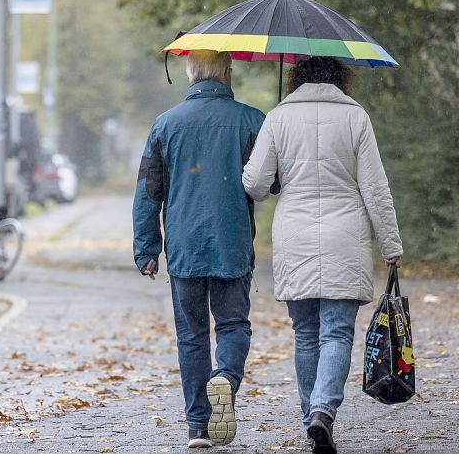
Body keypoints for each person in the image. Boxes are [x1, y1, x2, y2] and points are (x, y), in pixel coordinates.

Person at [242, 56, 402, 454]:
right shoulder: (356, 118)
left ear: (296, 78)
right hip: (344, 234)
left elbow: (257, 185)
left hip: (295, 233)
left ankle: (309, 416)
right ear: (340, 79)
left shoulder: (278, 117)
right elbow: (375, 188)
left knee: (307, 333)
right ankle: (322, 412)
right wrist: (391, 244)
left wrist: (270, 169)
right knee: (336, 332)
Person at [133, 50, 269, 448]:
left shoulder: (164, 125)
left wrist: (146, 249)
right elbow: (269, 183)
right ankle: (225, 376)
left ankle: (198, 427)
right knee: (232, 324)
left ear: (191, 75)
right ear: (227, 74)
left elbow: (148, 193)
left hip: (184, 245)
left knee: (191, 335)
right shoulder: (251, 120)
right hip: (232, 242)